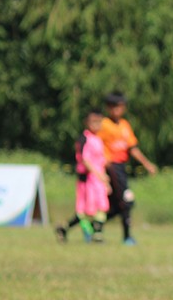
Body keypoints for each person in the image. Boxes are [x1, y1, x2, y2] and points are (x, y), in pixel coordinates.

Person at [98, 91, 157, 245]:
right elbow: (96, 146)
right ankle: (126, 237)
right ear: (109, 108)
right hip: (111, 168)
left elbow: (132, 148)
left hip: (122, 167)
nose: (119, 110)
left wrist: (147, 164)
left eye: (121, 107)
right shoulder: (103, 125)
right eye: (116, 107)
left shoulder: (124, 125)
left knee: (117, 205)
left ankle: (94, 227)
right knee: (126, 202)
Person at [56, 110, 111, 242]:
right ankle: (65, 228)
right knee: (86, 210)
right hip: (89, 179)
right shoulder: (84, 139)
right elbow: (85, 161)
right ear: (86, 122)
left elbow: (100, 161)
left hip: (98, 179)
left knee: (101, 206)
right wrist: (99, 175)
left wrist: (105, 179)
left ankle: (97, 234)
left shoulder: (98, 139)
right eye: (94, 122)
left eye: (99, 122)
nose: (97, 125)